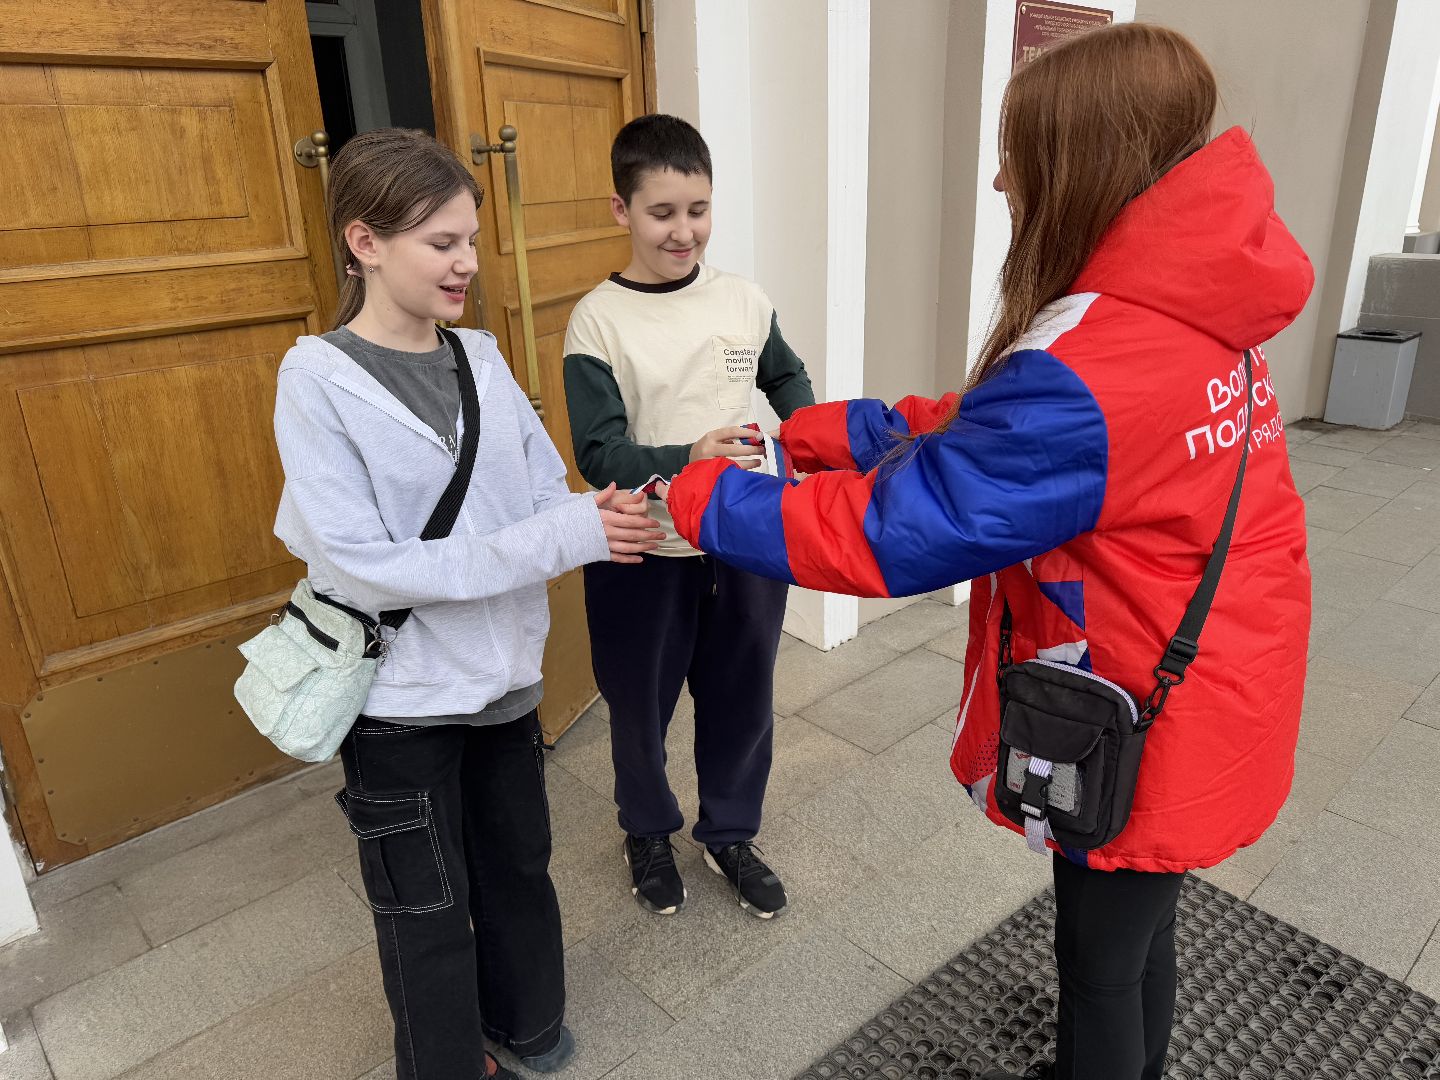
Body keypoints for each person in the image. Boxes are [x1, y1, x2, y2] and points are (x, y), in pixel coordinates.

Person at [657, 24, 1311, 1080]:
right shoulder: (1181, 305)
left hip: (1144, 704)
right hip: (1213, 673)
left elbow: (895, 531)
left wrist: (700, 495)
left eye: (1019, 155)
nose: (1003, 180)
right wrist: (812, 436)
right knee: (1135, 937)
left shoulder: (1095, 363)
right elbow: (990, 433)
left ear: (1081, 163)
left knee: (1099, 964)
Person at [270, 128, 664, 1080]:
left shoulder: (480, 359)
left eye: (472, 241)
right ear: (365, 242)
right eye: (441, 242)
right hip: (400, 702)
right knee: (424, 903)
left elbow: (543, 499)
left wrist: (603, 516)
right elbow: (366, 567)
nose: (466, 264)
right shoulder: (316, 380)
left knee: (518, 868)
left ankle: (529, 1024)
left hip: (505, 683)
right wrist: (563, 537)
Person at [562, 114, 815, 920]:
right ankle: (647, 831)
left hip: (743, 542)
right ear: (622, 210)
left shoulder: (743, 300)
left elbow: (786, 377)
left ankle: (730, 833)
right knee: (639, 709)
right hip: (642, 548)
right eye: (662, 213)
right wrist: (688, 456)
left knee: (743, 697)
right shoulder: (597, 320)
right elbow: (599, 453)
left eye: (698, 210)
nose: (684, 231)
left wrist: (809, 440)